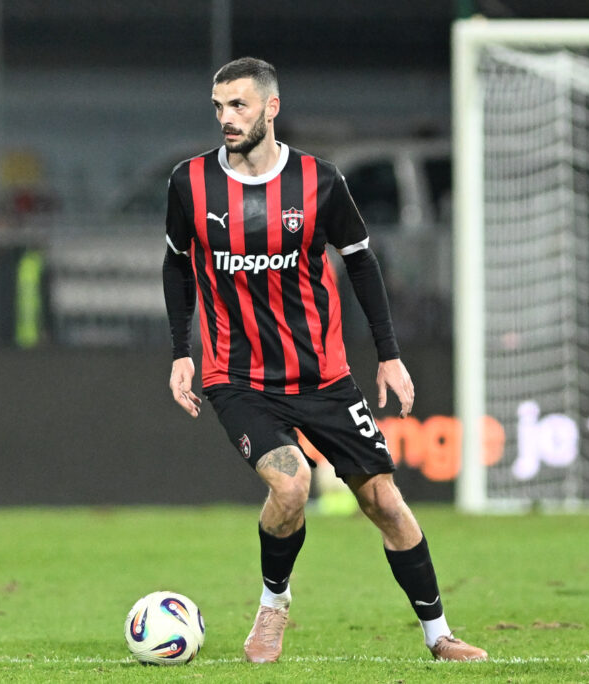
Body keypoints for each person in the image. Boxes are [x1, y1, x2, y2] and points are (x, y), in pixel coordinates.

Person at [162, 57, 487, 663]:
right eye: (219, 107)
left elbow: (361, 261)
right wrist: (182, 352)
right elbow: (177, 265)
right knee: (292, 485)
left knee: (383, 502)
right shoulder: (190, 183)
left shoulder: (320, 181)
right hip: (238, 377)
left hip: (323, 376)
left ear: (271, 107)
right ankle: (273, 607)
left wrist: (389, 356)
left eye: (239, 105)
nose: (227, 118)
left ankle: (439, 636)